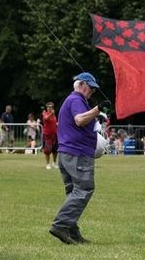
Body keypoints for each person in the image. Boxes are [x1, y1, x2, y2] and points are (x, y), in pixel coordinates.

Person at [49, 72, 103, 245]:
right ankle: (61, 225)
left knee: (73, 192)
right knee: (84, 189)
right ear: (81, 84)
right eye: (91, 87)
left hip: (67, 153)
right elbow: (80, 120)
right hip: (77, 154)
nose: (93, 91)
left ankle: (72, 233)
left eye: (94, 89)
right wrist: (97, 110)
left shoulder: (73, 100)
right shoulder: (77, 100)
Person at [42, 101, 59, 169]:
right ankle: (48, 164)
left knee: (55, 150)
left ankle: (54, 163)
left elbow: (55, 123)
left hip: (54, 135)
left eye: (52, 107)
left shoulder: (54, 115)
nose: (50, 108)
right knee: (47, 150)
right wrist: (51, 114)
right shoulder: (45, 114)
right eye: (49, 107)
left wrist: (57, 124)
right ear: (47, 108)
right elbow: (46, 118)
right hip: (47, 135)